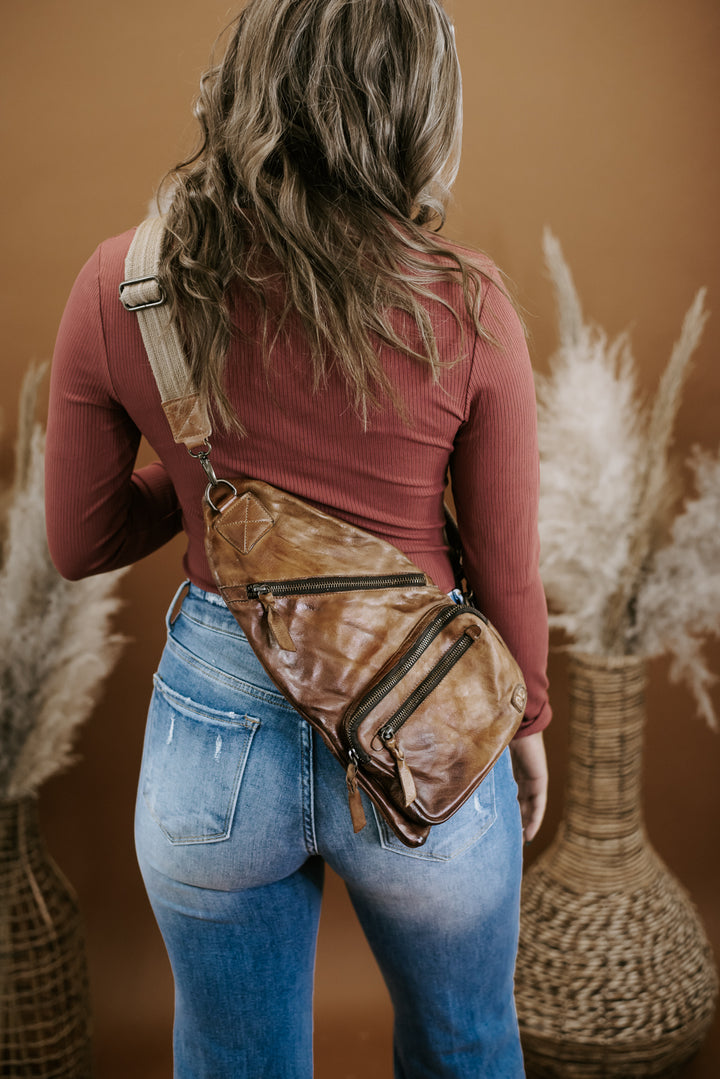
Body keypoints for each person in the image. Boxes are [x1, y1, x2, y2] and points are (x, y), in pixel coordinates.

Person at [46, 1, 550, 1075]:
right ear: (414, 108)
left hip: (212, 740)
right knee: (466, 1044)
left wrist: (215, 498)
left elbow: (80, 538)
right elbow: (509, 563)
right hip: (426, 716)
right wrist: (530, 716)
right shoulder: (469, 307)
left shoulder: (125, 287)